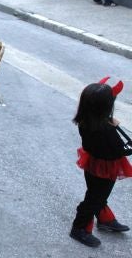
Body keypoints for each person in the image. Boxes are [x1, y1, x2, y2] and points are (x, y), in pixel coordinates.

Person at [70, 78, 132, 248]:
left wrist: (110, 123)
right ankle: (79, 228)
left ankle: (104, 218)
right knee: (95, 198)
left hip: (92, 165)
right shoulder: (106, 131)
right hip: (105, 169)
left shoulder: (86, 122)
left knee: (96, 194)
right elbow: (122, 150)